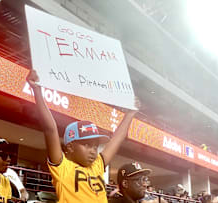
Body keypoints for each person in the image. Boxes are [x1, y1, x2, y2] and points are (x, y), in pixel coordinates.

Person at [26, 69, 140, 203]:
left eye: (95, 146)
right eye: (87, 145)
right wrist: (37, 91)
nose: (93, 150)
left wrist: (130, 114)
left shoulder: (97, 165)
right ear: (70, 147)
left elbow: (117, 138)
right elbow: (50, 129)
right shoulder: (62, 167)